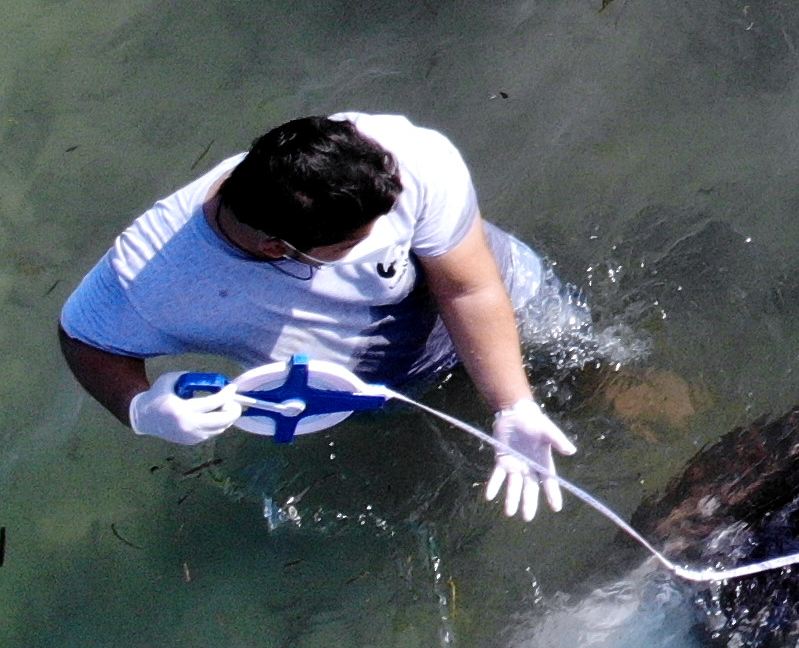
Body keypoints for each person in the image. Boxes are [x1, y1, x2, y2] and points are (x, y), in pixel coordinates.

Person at [56, 113, 584, 518]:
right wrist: (139, 407)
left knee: (591, 378)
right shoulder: (152, 275)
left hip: (510, 304)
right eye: (354, 244)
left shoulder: (407, 158)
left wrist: (513, 403)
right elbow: (84, 339)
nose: (390, 237)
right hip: (374, 389)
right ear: (276, 249)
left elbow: (469, 288)